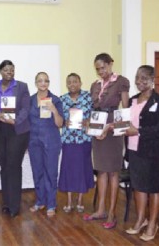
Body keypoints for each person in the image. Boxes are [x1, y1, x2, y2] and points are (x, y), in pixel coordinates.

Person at [124, 65, 159, 241]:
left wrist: (139, 130)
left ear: (153, 80)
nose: (139, 82)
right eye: (138, 78)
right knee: (138, 186)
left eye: (144, 78)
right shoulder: (132, 100)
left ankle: (153, 223)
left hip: (154, 153)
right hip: (134, 150)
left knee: (154, 188)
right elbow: (126, 123)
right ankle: (140, 220)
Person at [83, 53, 130, 229]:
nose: (100, 71)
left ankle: (112, 212)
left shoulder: (121, 81)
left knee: (113, 172)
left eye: (103, 67)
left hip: (113, 128)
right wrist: (91, 126)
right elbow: (93, 108)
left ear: (111, 64)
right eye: (97, 69)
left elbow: (125, 111)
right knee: (101, 170)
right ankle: (101, 209)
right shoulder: (94, 85)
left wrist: (108, 127)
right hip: (98, 126)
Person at [0, 60, 30, 217]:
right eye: (6, 70)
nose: (9, 72)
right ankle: (6, 202)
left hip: (17, 131)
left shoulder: (22, 86)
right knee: (4, 166)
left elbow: (26, 108)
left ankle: (14, 205)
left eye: (12, 70)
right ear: (1, 72)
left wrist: (15, 120)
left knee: (13, 166)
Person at [28, 72, 63, 217]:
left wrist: (54, 110)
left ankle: (51, 204)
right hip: (33, 140)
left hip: (51, 141)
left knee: (51, 173)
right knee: (37, 171)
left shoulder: (55, 100)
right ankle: (40, 201)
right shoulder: (29, 100)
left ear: (49, 83)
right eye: (40, 81)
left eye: (46, 81)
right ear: (36, 83)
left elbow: (60, 124)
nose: (43, 83)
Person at [58, 73, 94, 213]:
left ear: (80, 82)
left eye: (75, 81)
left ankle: (80, 200)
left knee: (81, 169)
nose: (72, 84)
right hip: (68, 140)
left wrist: (88, 121)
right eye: (69, 82)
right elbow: (58, 120)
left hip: (83, 139)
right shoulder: (62, 100)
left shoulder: (89, 97)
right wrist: (63, 122)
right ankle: (68, 200)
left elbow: (95, 115)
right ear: (67, 84)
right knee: (68, 168)